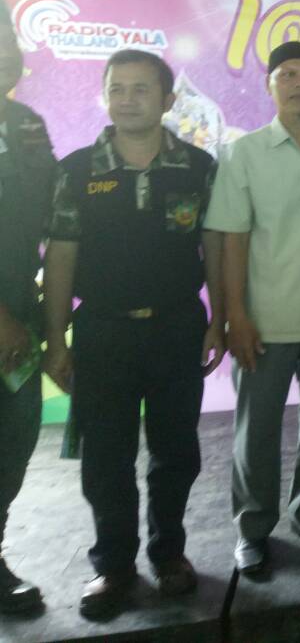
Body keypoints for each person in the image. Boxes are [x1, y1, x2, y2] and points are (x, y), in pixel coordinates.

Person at [42, 50, 224, 619]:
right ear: (105, 97)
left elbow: (215, 246)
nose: (127, 99)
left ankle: (169, 554)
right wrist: (56, 340)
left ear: (167, 100)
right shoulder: (78, 170)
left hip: (177, 327)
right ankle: (113, 566)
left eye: (141, 89)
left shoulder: (197, 166)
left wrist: (219, 319)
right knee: (106, 456)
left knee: (177, 450)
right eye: (117, 88)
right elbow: (61, 256)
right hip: (102, 331)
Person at [204, 41, 300, 579]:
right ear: (269, 86)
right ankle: (252, 529)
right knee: (257, 428)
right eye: (287, 75)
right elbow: (231, 238)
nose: (299, 84)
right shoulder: (244, 154)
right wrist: (234, 316)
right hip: (265, 317)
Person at [0, 24, 54, 615]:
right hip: (4, 319)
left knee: (14, 440)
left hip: (21, 310)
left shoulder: (26, 125)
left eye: (9, 46)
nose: (3, 57)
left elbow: (55, 210)